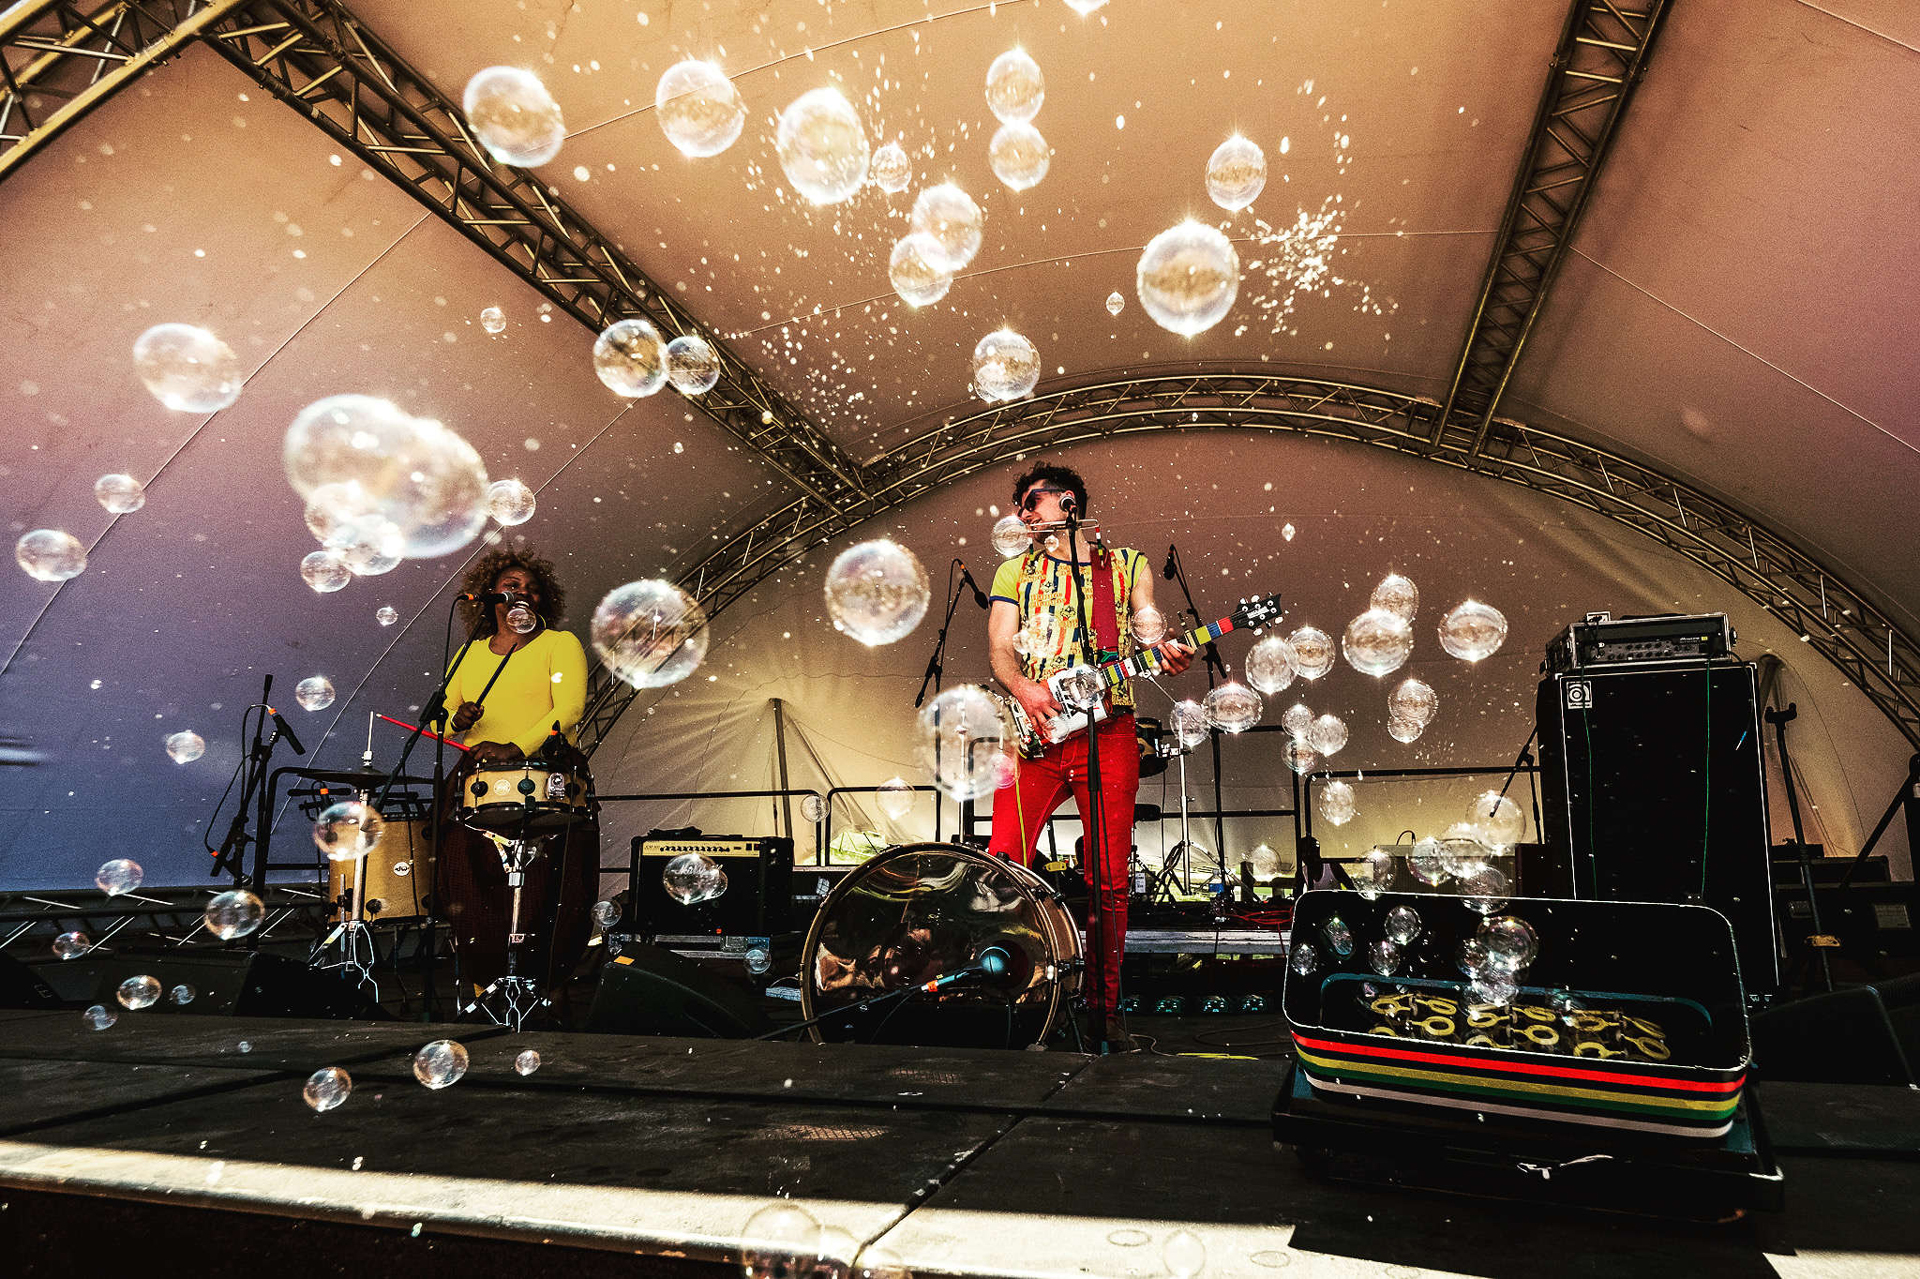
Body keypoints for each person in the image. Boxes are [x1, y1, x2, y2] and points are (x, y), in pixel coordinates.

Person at [986, 465, 1193, 1050]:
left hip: (1111, 732)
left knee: (1109, 879)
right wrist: (1026, 692)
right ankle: (1018, 996)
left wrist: (1167, 652)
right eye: (1019, 507)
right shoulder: (1012, 570)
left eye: (1031, 502)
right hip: (1036, 735)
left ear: (1068, 502)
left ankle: (1105, 1009)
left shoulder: (1125, 564)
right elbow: (1002, 649)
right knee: (1005, 865)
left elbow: (1148, 633)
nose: (1023, 515)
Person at [434, 548, 599, 1007]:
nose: (520, 592)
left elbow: (569, 710)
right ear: (490, 597)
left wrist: (515, 747)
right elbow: (438, 721)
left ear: (541, 599)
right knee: (469, 881)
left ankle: (544, 986)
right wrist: (458, 720)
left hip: (545, 774)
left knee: (546, 882)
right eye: (510, 585)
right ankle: (483, 985)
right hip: (478, 780)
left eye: (529, 586)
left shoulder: (559, 644)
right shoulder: (469, 654)